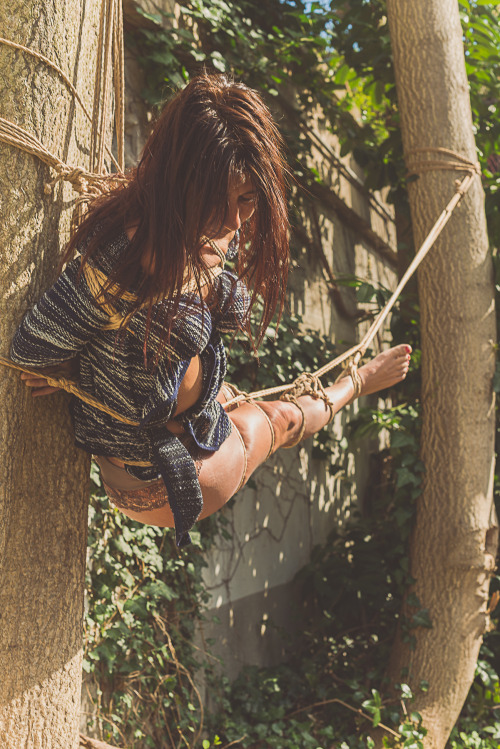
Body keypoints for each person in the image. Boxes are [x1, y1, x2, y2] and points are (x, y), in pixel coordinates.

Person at [10, 73, 411, 547]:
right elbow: (29, 349)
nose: (235, 220)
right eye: (219, 200)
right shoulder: (128, 261)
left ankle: (232, 396)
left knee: (260, 407)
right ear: (181, 180)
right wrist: (71, 362)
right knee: (282, 422)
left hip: (199, 414)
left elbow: (226, 306)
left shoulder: (195, 224)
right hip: (160, 476)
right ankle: (358, 382)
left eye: (247, 199)